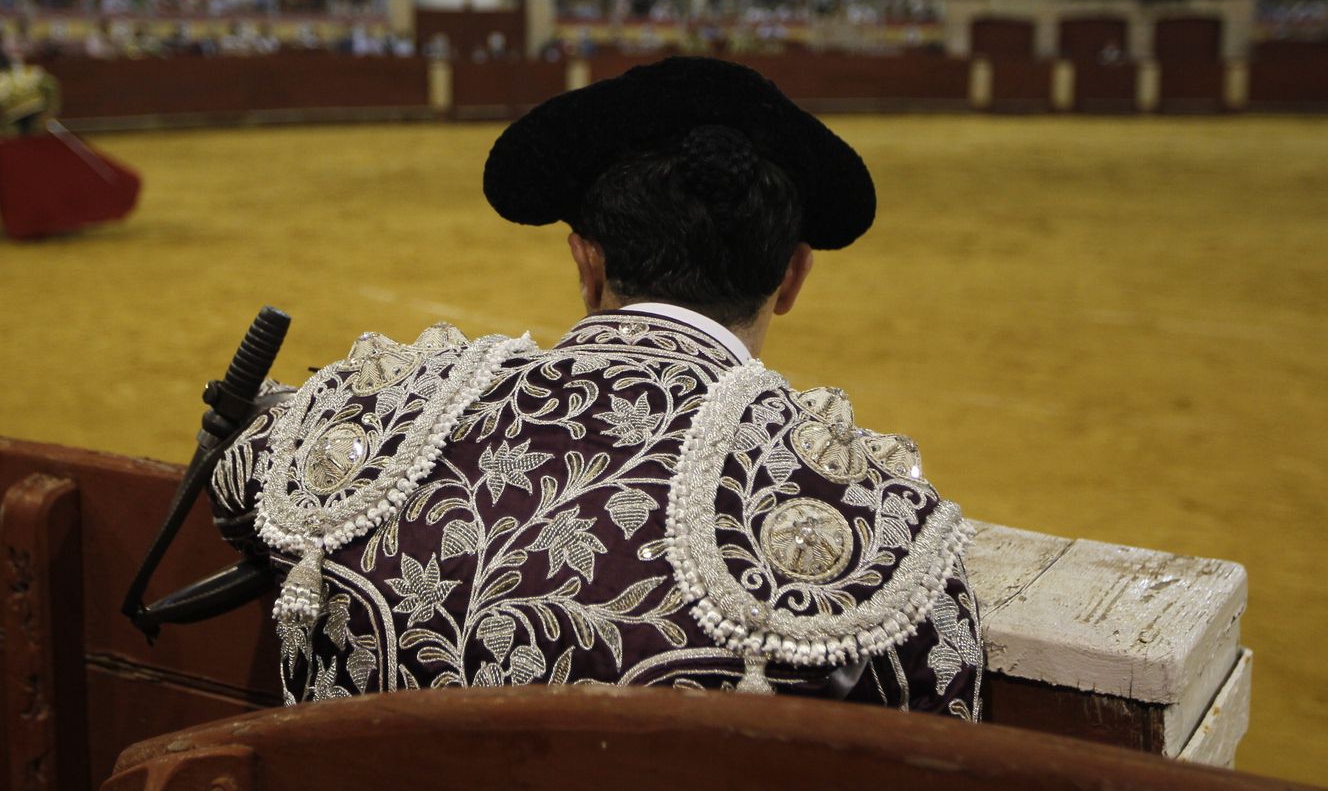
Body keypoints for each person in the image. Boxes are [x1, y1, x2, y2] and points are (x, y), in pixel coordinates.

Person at [211, 56, 982, 716]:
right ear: (791, 277)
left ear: (586, 262)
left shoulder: (363, 422)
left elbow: (233, 481)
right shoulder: (878, 530)